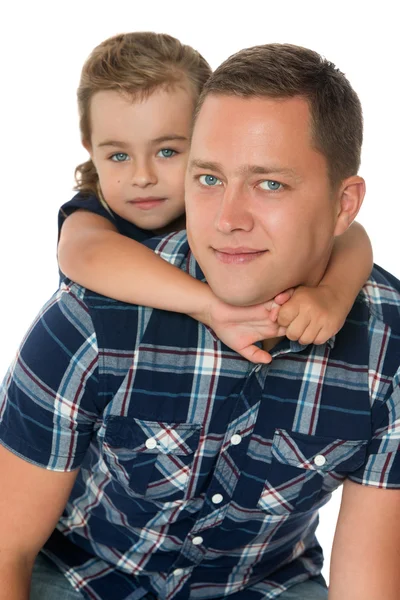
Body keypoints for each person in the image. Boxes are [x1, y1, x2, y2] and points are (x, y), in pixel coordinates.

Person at [1, 42, 399, 600]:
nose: (228, 221)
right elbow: (5, 545)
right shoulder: (95, 306)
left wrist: (334, 297)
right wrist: (211, 305)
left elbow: (368, 587)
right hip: (84, 574)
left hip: (264, 586)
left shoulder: (386, 347)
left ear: (344, 204)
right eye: (209, 179)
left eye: (270, 184)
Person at [56, 32, 372, 362]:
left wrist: (333, 296)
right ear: (91, 151)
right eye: (119, 156)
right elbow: (85, 253)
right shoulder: (92, 214)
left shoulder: (219, 208)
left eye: (167, 151)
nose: (143, 178)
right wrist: (209, 306)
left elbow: (350, 234)